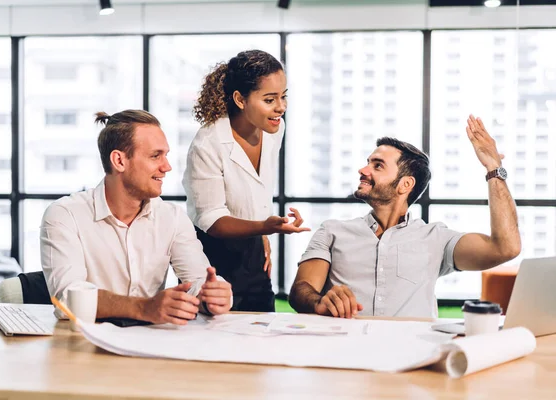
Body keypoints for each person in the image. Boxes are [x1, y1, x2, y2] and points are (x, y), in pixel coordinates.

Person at [289, 115, 521, 319]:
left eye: (377, 166)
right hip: (344, 353)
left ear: (405, 185)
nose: (363, 170)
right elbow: (301, 290)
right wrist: (319, 302)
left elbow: (506, 248)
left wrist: (493, 168)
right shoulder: (332, 231)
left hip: (413, 357)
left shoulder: (436, 239)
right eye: (368, 162)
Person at [40, 110, 232, 325]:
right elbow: (68, 297)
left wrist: (211, 296)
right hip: (82, 348)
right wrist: (144, 307)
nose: (166, 167)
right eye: (155, 155)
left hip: (148, 346)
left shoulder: (173, 218)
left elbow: (197, 281)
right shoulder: (64, 215)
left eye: (166, 155)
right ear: (119, 160)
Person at [183, 50, 310, 312]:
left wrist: (262, 232)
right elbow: (212, 220)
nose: (281, 107)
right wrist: (263, 227)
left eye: (283, 96)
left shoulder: (275, 130)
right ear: (240, 99)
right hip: (211, 257)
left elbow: (258, 189)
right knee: (214, 341)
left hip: (253, 250)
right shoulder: (208, 143)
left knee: (264, 335)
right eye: (269, 99)